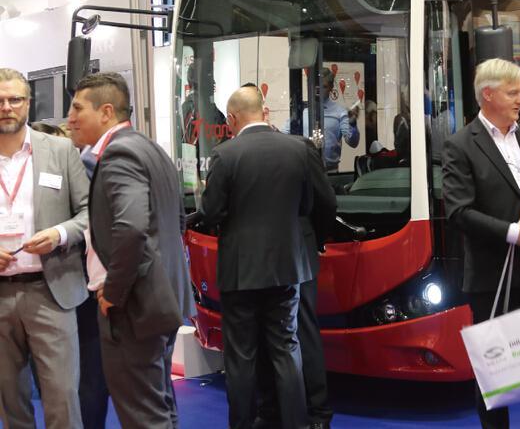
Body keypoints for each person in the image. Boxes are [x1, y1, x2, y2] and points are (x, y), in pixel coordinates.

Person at [202, 86, 336, 429]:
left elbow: (212, 212)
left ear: (232, 118)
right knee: (287, 350)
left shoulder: (225, 155)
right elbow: (312, 205)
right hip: (287, 268)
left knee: (241, 358)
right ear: (264, 111)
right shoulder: (299, 149)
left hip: (240, 272)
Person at [67, 72, 195, 428]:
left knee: (142, 413)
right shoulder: (148, 147)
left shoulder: (119, 154)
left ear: (106, 111)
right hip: (162, 297)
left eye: (78, 108)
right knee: (159, 405)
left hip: (135, 306)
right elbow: (176, 221)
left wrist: (114, 291)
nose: (70, 118)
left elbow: (132, 226)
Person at [442, 58, 520, 429]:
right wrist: (512, 231)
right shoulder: (460, 145)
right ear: (488, 94)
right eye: (513, 93)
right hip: (493, 277)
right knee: (495, 375)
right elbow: (458, 211)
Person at [0, 68, 90, 429]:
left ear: (28, 103)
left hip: (50, 290)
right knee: (9, 401)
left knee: (62, 398)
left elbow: (90, 212)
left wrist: (59, 234)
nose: (6, 107)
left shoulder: (60, 150)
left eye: (14, 99)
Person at [287, 68, 360, 172]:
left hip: (330, 171)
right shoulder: (302, 110)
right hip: (306, 170)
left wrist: (352, 125)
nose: (318, 90)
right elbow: (285, 133)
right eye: (315, 87)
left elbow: (353, 143)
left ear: (331, 88)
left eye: (323, 86)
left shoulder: (340, 112)